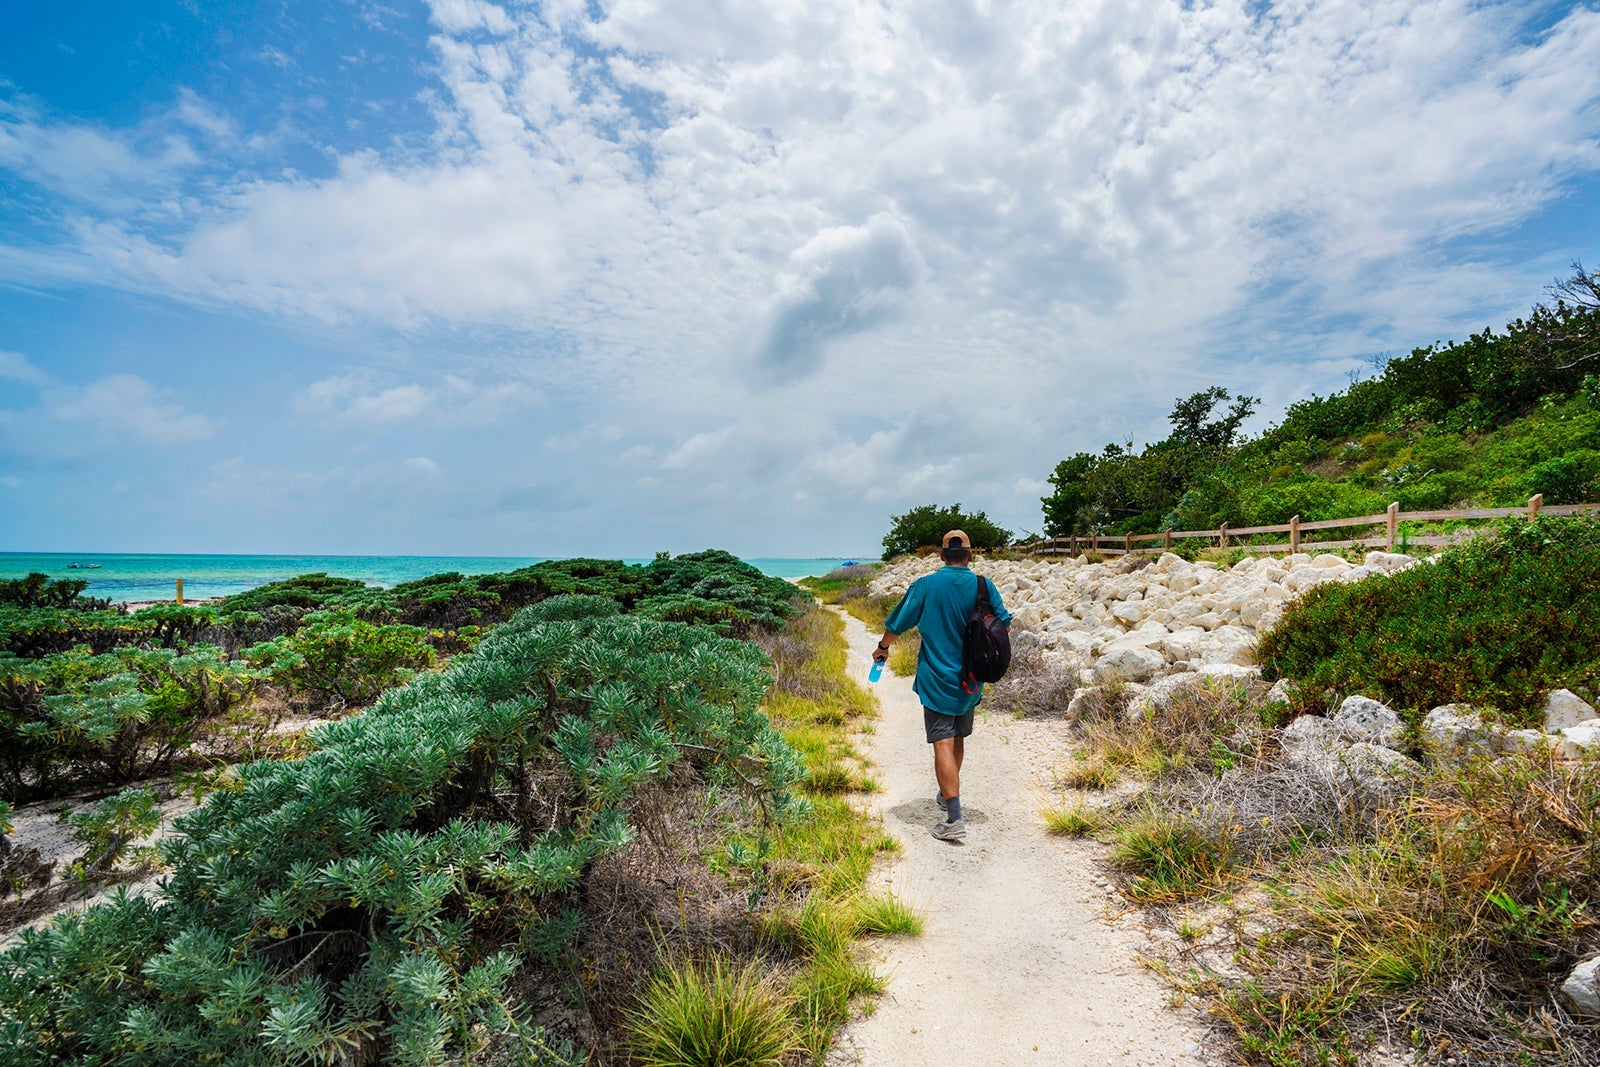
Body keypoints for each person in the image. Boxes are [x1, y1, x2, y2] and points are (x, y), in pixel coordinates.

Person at [872, 530, 1011, 841]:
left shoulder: (926, 585)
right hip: (972, 679)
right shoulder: (983, 585)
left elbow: (897, 623)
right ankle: (947, 793)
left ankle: (954, 817)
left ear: (940, 556)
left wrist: (883, 647)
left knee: (942, 742)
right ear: (970, 555)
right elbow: (1003, 622)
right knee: (958, 736)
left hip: (937, 678)